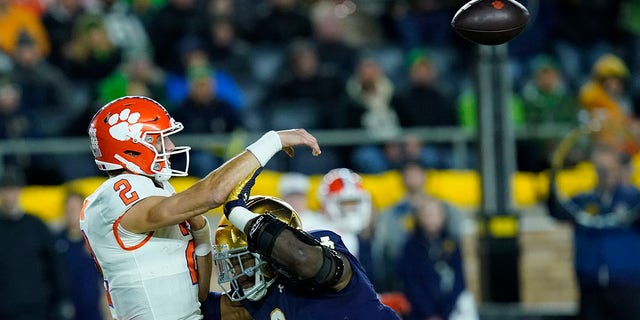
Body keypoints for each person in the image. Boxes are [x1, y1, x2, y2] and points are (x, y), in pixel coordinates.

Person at [80, 95, 321, 319]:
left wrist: (201, 233)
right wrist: (272, 141)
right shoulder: (115, 194)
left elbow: (200, 296)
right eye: (161, 139)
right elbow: (213, 193)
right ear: (130, 145)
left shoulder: (158, 189)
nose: (171, 146)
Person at [202, 195, 401, 320]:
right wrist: (199, 233)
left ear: (271, 256)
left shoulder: (321, 247)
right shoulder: (256, 302)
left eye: (245, 261)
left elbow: (302, 258)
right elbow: (191, 308)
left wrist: (238, 213)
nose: (236, 273)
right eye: (232, 263)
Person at [547, 143, 640, 319]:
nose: (606, 175)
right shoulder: (584, 201)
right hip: (591, 284)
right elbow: (557, 210)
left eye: (610, 169)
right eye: (601, 169)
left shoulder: (634, 199)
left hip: (629, 283)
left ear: (620, 168)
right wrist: (552, 176)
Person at [0, 169, 74, 320]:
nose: (9, 195)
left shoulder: (36, 225)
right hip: (6, 309)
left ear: (20, 190)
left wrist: (62, 298)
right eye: (5, 190)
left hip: (39, 307)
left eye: (13, 189)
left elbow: (54, 263)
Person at [397, 195, 477, 320]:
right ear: (418, 217)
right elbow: (411, 283)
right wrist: (429, 313)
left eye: (434, 213)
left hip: (449, 310)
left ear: (443, 216)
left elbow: (459, 280)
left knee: (466, 301)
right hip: (419, 311)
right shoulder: (411, 246)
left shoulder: (451, 243)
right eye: (426, 214)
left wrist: (445, 312)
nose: (431, 218)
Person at [55, 191, 109, 320]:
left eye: (74, 208)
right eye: (68, 208)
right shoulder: (56, 242)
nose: (71, 212)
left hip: (94, 312)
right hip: (64, 310)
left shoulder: (94, 241)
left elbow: (106, 281)